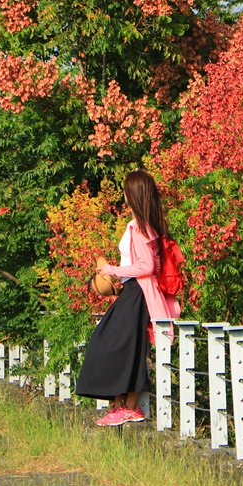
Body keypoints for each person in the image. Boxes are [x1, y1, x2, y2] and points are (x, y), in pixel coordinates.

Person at [75, 169, 181, 426]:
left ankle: (127, 407)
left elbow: (145, 267)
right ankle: (121, 406)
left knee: (110, 342)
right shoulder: (142, 226)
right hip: (135, 290)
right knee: (124, 345)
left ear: (131, 194)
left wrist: (112, 271)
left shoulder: (140, 228)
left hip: (138, 291)